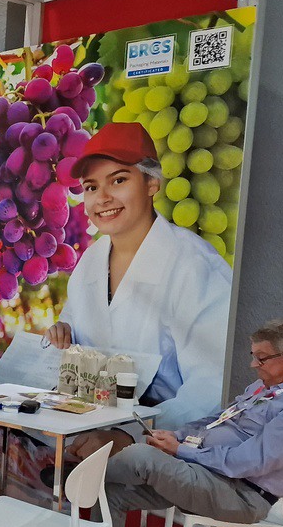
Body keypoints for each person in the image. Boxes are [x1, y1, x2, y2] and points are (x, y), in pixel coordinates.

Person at [61, 319, 283, 527]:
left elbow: (247, 462)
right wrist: (177, 435)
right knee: (113, 491)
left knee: (141, 456)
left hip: (241, 494)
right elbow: (217, 420)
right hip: (205, 473)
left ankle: (72, 476)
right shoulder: (267, 386)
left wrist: (181, 450)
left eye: (261, 358)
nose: (253, 365)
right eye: (254, 356)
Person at [45, 122, 231, 433]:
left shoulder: (194, 266)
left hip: (167, 443)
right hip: (89, 430)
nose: (102, 198)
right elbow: (76, 331)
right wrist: (63, 333)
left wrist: (132, 436)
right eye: (91, 187)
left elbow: (213, 386)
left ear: (152, 183)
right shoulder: (91, 261)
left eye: (118, 180)